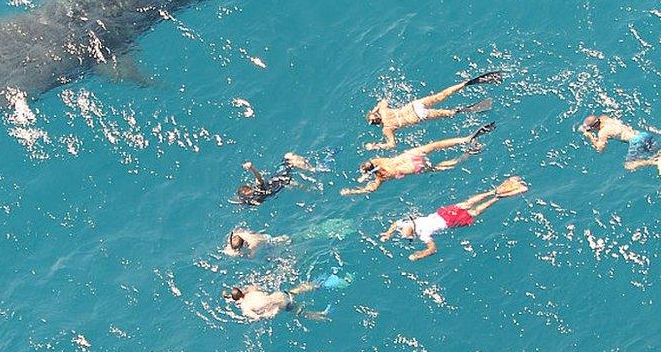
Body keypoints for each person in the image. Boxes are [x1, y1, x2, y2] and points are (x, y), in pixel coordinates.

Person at [379, 176, 529, 261]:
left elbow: (433, 248)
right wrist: (388, 233)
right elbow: (394, 224)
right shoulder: (406, 223)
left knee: (473, 211)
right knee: (467, 204)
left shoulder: (422, 234)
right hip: (443, 214)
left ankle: (497, 196)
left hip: (448, 220)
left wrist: (420, 255)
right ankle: (495, 192)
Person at [341, 123, 496, 195]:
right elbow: (373, 164)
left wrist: (353, 191)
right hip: (411, 155)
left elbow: (372, 188)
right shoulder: (379, 161)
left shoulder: (382, 176)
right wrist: (374, 146)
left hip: (414, 167)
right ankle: (466, 138)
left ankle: (468, 153)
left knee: (442, 166)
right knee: (437, 145)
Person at [365, 71, 504, 150]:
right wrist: (374, 108)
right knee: (442, 94)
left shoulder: (387, 129)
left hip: (419, 115)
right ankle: (466, 83)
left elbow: (391, 145)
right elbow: (384, 100)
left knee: (449, 113)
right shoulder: (383, 111)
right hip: (415, 105)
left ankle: (464, 109)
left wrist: (375, 146)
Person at [578, 115, 661, 195]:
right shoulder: (605, 117)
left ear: (595, 127)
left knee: (629, 165)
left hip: (635, 141)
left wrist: (589, 136)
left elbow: (600, 149)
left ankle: (655, 162)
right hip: (642, 134)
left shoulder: (602, 133)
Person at [224, 271, 351, 320]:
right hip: (280, 295)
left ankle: (323, 315)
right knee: (298, 289)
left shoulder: (245, 307)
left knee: (301, 312)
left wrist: (268, 313)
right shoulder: (251, 292)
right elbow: (254, 287)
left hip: (282, 306)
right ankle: (321, 284)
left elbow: (256, 317)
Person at [234, 153, 313, 206]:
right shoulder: (253, 199)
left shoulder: (258, 188)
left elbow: (258, 177)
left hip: (281, 179)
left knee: (288, 158)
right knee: (305, 188)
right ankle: (311, 171)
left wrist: (252, 168)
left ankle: (311, 169)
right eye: (249, 194)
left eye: (250, 192)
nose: (252, 194)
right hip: (282, 182)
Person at [224, 229, 290, 258]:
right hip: (257, 235)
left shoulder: (253, 245)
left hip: (268, 242)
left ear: (244, 243)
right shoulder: (238, 234)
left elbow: (252, 257)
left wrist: (241, 254)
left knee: (286, 240)